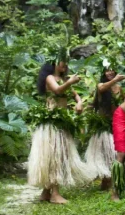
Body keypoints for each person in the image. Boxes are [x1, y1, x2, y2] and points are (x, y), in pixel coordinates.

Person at [27, 57, 94, 204]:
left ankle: (46, 192)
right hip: (52, 123)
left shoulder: (64, 80)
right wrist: (70, 82)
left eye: (66, 62)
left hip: (61, 122)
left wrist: (79, 103)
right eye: (62, 61)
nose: (65, 64)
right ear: (54, 63)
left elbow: (75, 95)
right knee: (54, 156)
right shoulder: (50, 78)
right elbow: (57, 91)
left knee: (58, 155)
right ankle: (55, 194)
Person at [82, 68, 125, 191]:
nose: (110, 73)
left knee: (114, 153)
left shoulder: (118, 88)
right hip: (103, 125)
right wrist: (115, 79)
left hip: (116, 124)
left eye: (112, 71)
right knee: (104, 153)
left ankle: (112, 179)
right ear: (103, 73)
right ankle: (105, 179)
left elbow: (124, 102)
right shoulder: (101, 85)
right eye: (107, 71)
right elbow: (102, 89)